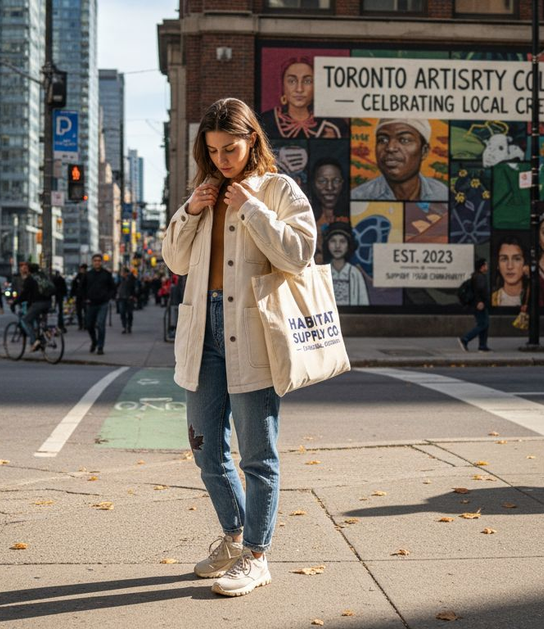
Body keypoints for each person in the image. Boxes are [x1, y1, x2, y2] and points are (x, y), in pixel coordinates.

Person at [162, 97, 315, 597]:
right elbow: (175, 261)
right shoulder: (204, 194)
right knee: (206, 448)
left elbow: (299, 253)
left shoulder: (277, 189)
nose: (223, 159)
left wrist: (251, 208)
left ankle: (257, 555)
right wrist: (191, 210)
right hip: (202, 330)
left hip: (252, 330)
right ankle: (233, 538)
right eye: (213, 151)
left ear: (252, 140)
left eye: (230, 148)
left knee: (257, 454)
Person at [351, 119, 448, 202]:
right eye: (383, 140)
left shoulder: (442, 193)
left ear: (424, 151)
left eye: (404, 140)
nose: (390, 148)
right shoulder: (358, 196)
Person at [259, 56, 345, 140]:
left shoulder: (332, 124)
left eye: (307, 81)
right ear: (283, 86)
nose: (299, 89)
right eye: (292, 81)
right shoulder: (266, 121)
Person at [322, 223, 368, 306]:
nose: (337, 246)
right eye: (333, 241)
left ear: (349, 245)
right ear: (327, 244)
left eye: (342, 241)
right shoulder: (322, 274)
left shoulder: (355, 274)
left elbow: (364, 303)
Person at [13, 262, 55, 352]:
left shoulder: (30, 279)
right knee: (38, 321)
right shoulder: (43, 276)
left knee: (26, 320)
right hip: (48, 302)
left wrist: (14, 303)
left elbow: (24, 294)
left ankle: (34, 341)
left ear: (29, 270)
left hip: (38, 304)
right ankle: (44, 335)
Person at [84, 254, 115, 354]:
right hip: (91, 303)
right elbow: (81, 288)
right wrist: (85, 298)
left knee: (101, 324)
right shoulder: (88, 274)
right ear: (92, 262)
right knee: (89, 325)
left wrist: (108, 297)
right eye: (95, 261)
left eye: (99, 260)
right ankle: (94, 341)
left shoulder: (106, 274)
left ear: (101, 262)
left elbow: (112, 287)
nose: (97, 262)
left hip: (103, 303)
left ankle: (100, 347)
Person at [458, 258, 491, 352]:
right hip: (479, 304)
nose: (487, 266)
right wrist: (480, 302)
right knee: (483, 324)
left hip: (479, 304)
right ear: (482, 267)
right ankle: (465, 339)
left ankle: (483, 345)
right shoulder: (480, 277)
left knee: (484, 324)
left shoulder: (477, 276)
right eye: (486, 264)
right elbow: (480, 291)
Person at [491, 236, 528, 307]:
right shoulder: (492, 299)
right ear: (498, 265)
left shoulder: (534, 298)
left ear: (525, 264)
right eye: (504, 259)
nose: (510, 266)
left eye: (517, 259)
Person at [115, 268, 137, 334]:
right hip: (121, 298)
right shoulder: (119, 279)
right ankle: (124, 326)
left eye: (123, 272)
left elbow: (135, 287)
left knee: (130, 313)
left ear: (127, 273)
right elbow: (116, 287)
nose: (122, 274)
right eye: (122, 273)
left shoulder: (131, 279)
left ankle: (129, 326)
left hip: (129, 298)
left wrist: (133, 295)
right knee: (122, 312)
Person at [71, 264, 88, 330]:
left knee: (85, 311)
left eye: (82, 269)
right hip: (79, 296)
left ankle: (85, 324)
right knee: (79, 311)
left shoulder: (87, 276)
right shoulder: (78, 276)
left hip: (85, 296)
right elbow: (74, 285)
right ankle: (81, 325)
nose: (82, 270)